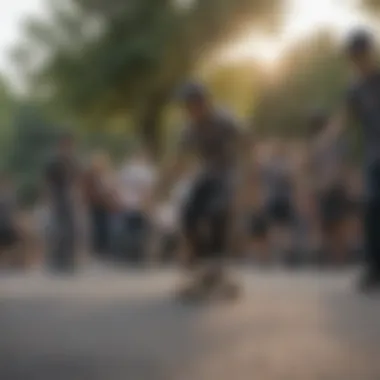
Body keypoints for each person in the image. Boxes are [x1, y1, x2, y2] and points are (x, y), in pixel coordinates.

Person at [155, 81, 250, 300]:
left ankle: (216, 267)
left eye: (192, 105)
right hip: (206, 175)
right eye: (186, 108)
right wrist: (161, 188)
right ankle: (200, 267)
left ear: (203, 102)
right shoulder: (189, 128)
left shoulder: (224, 119)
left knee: (217, 212)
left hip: (227, 174)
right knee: (188, 214)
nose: (189, 111)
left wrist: (249, 180)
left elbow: (247, 144)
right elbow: (177, 161)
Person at [319, 29, 380, 291]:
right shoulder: (355, 87)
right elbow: (345, 117)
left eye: (361, 55)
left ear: (370, 53)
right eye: (354, 57)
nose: (358, 61)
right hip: (374, 154)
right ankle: (373, 269)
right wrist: (326, 137)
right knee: (371, 207)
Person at [308, 109, 351, 266]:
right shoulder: (323, 143)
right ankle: (336, 258)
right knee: (333, 225)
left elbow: (341, 165)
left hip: (331, 187)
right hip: (332, 187)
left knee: (334, 224)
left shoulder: (321, 143)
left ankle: (337, 258)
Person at [44, 133, 81, 273]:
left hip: (70, 197)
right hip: (57, 197)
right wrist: (49, 198)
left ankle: (70, 259)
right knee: (58, 228)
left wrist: (76, 195)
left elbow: (77, 179)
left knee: (72, 228)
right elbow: (47, 181)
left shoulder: (73, 161)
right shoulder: (54, 162)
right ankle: (57, 259)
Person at [115, 147, 157, 264]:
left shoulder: (125, 170)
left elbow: (117, 187)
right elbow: (147, 191)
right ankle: (141, 257)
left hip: (126, 205)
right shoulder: (147, 172)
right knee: (143, 232)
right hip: (140, 206)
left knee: (129, 232)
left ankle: (128, 256)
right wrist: (149, 207)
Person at [83, 152, 113, 259]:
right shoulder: (90, 176)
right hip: (94, 205)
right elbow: (88, 192)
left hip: (103, 206)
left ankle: (102, 248)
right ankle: (96, 249)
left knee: (103, 227)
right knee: (96, 227)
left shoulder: (105, 176)